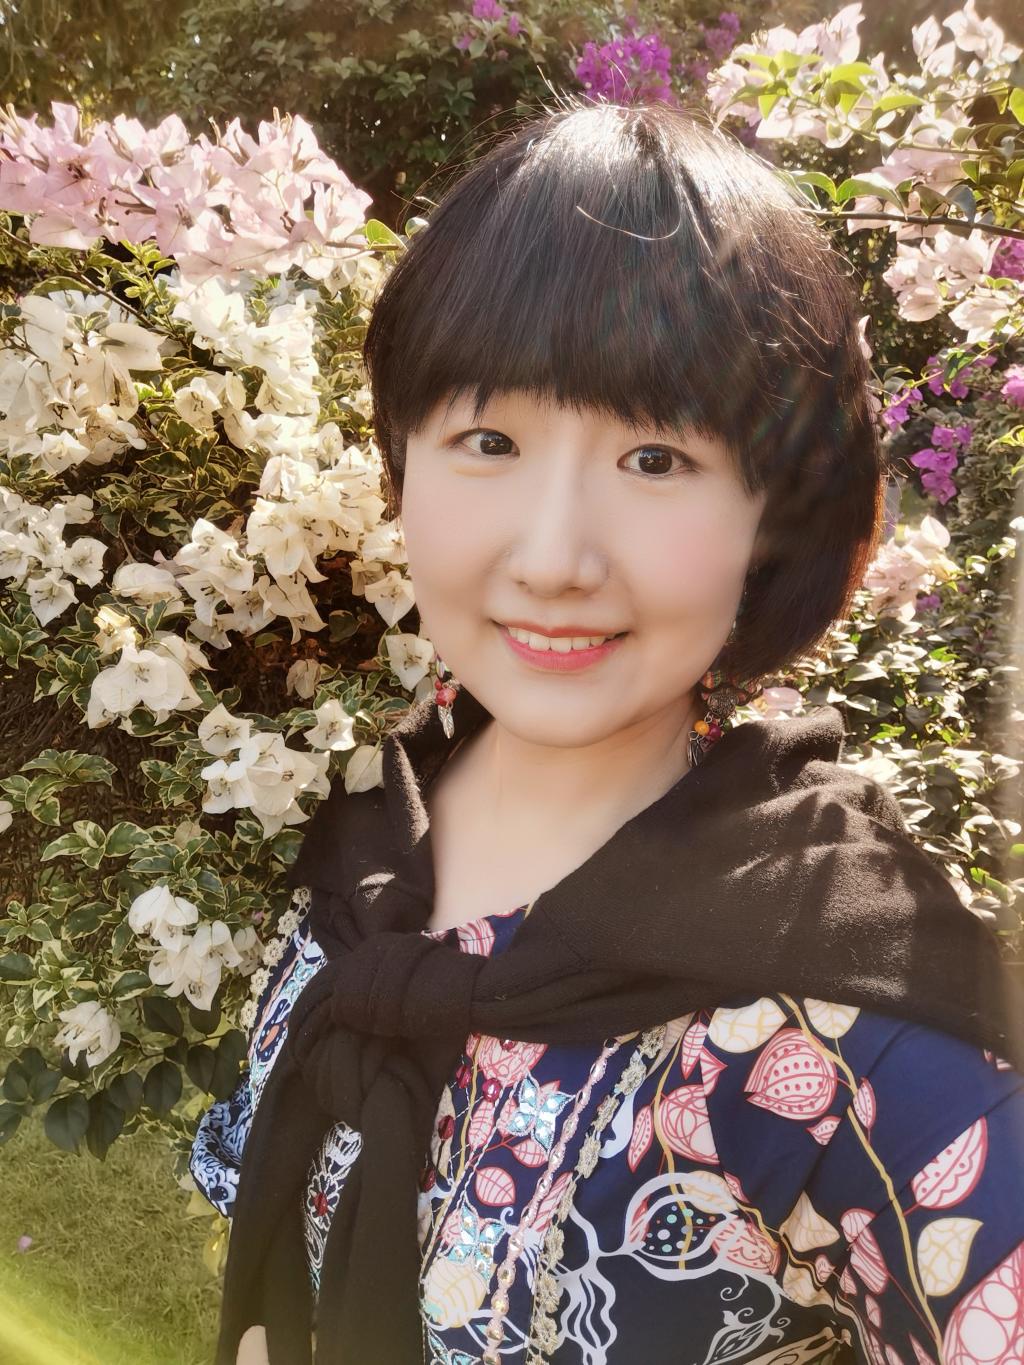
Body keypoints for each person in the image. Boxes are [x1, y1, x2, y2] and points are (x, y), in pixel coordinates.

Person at [191, 97, 1024, 1365]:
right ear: (403, 468)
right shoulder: (372, 834)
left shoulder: (844, 1019)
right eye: (488, 440)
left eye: (655, 460)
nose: (552, 558)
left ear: (773, 518)